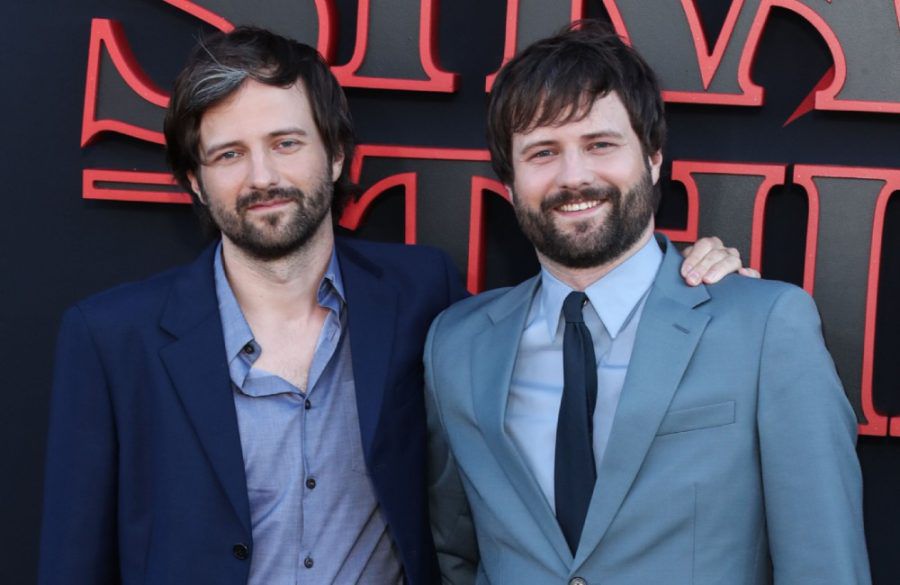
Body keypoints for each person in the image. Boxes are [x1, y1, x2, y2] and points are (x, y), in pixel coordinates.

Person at [39, 26, 746, 585]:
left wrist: (678, 268)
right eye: (228, 155)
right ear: (194, 180)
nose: (263, 176)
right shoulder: (111, 339)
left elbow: (575, 294)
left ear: (337, 155)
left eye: (286, 143)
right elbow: (74, 560)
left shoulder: (422, 296)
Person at [425, 21, 870, 585]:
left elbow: (824, 565)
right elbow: (456, 553)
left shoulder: (764, 326)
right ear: (509, 182)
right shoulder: (455, 345)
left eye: (600, 144)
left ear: (654, 158)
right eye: (542, 152)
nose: (574, 176)